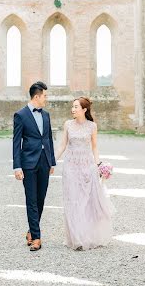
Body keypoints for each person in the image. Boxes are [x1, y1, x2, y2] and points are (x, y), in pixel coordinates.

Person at [56, 97, 112, 250]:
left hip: (87, 166)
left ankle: (87, 235)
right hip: (70, 166)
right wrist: (52, 161)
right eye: (72, 107)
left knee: (86, 202)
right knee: (73, 200)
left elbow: (94, 147)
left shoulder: (92, 126)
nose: (72, 109)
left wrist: (98, 164)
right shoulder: (68, 125)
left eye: (75, 107)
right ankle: (76, 238)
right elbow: (62, 145)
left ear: (84, 109)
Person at [13, 81, 56, 251]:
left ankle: (31, 230)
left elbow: (49, 139)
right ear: (37, 96)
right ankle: (37, 238)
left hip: (44, 162)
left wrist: (52, 161)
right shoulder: (20, 115)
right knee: (31, 200)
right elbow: (16, 142)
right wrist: (17, 167)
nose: (46, 99)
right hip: (28, 163)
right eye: (45, 96)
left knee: (40, 200)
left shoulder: (46, 115)